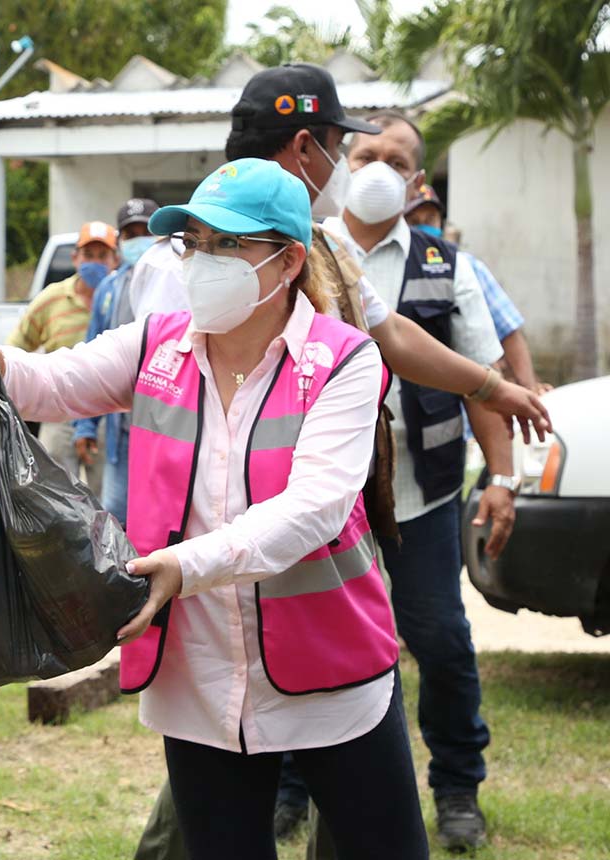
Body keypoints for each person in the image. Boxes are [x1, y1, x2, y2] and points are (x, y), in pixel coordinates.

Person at [0, 159, 429, 860]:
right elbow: (52, 383)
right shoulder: (157, 343)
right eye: (193, 242)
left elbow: (314, 509)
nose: (202, 261)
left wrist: (184, 565)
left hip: (331, 671)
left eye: (229, 245)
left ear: (287, 261)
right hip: (198, 675)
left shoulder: (345, 360)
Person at [129, 62, 549, 860]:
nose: (351, 171)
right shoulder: (191, 261)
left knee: (341, 764)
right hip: (224, 566)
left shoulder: (313, 249)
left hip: (316, 560)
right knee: (211, 789)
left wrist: (492, 386)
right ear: (306, 148)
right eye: (341, 149)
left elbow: (392, 339)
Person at [322, 109, 511, 851]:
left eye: (395, 160)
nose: (376, 168)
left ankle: (458, 788)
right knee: (319, 639)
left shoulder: (445, 262)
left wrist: (501, 476)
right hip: (331, 498)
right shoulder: (304, 251)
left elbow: (482, 382)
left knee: (439, 639)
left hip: (426, 496)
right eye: (364, 153)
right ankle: (297, 789)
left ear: (417, 181)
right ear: (341, 164)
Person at [8, 220, 120, 497]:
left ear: (115, 259)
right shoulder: (52, 300)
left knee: (107, 498)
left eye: (102, 256)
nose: (94, 262)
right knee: (55, 495)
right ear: (75, 258)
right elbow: (16, 348)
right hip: (58, 409)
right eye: (88, 255)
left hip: (108, 413)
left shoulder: (123, 299)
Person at [405, 184, 546, 393]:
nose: (424, 228)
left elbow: (508, 329)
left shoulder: (464, 266)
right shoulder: (393, 269)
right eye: (414, 222)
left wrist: (529, 388)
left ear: (441, 223)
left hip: (467, 400)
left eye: (430, 220)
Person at [72, 199, 159, 524]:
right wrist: (85, 425)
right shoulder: (109, 289)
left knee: (160, 520)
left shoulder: (177, 281)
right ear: (121, 242)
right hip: (121, 433)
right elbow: (93, 356)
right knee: (115, 520)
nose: (138, 240)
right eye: (130, 233)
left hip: (167, 426)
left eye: (145, 232)